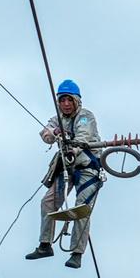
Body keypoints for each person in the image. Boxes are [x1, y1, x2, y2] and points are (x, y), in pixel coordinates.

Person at [25, 80, 103, 268]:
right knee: (48, 202)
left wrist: (73, 150)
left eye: (69, 100)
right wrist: (54, 132)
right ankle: (45, 245)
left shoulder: (85, 117)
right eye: (62, 100)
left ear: (76, 101)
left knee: (81, 209)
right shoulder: (57, 118)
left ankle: (77, 253)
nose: (66, 104)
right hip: (67, 168)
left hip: (87, 169)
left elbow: (83, 137)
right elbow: (45, 134)